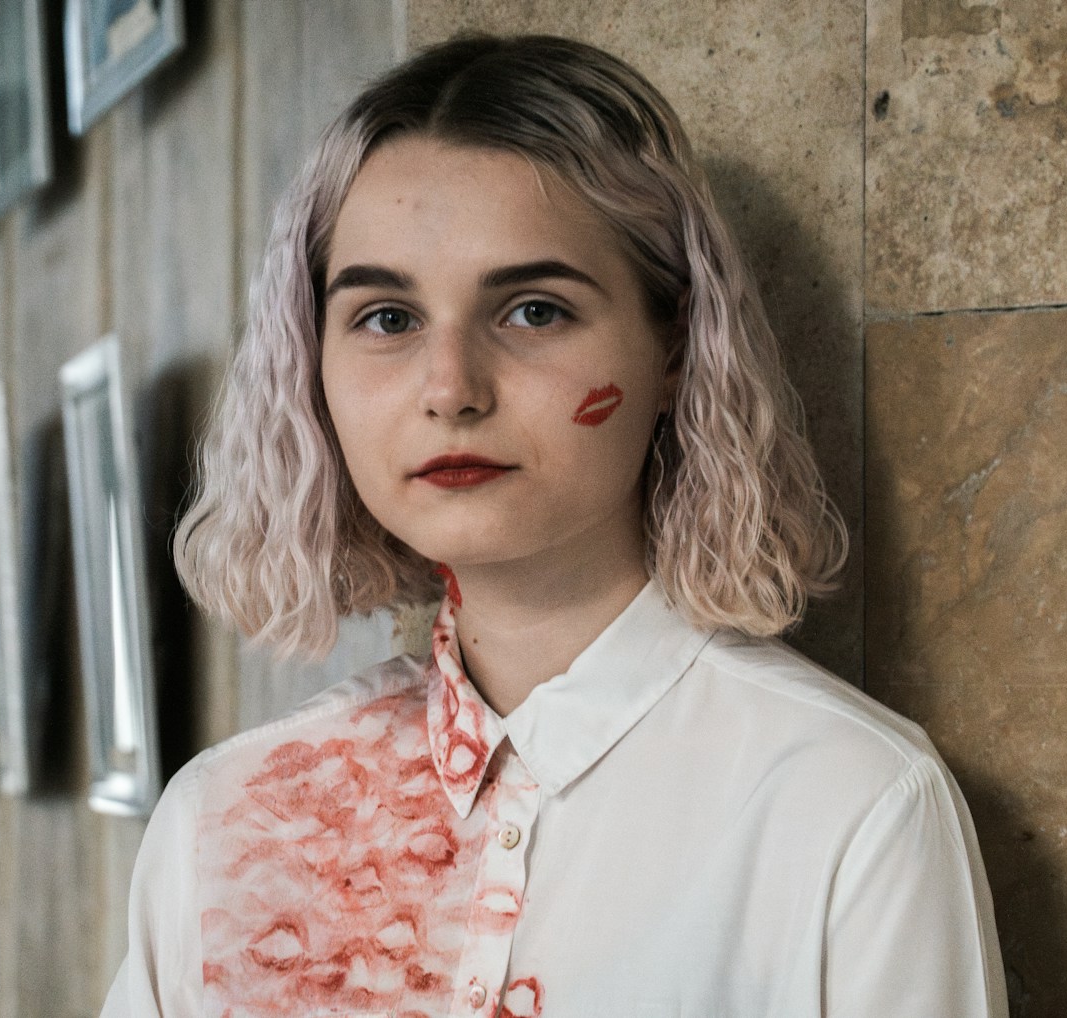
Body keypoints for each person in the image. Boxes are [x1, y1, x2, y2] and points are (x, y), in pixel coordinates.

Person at [100, 34, 1006, 1018]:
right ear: (308, 360)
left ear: (674, 348)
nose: (449, 388)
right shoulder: (227, 823)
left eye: (533, 310)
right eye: (388, 318)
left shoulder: (847, 807)